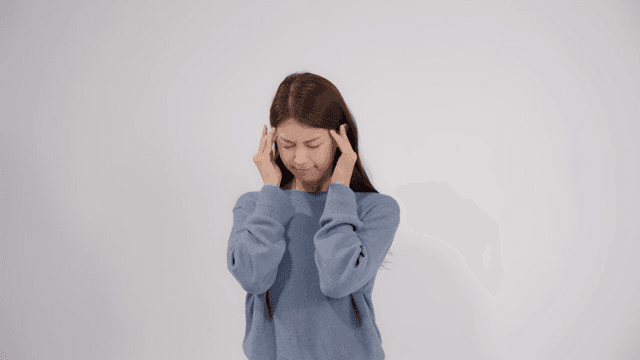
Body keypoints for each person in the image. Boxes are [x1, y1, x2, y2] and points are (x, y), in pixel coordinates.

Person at [226, 72, 400, 360]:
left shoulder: (376, 210)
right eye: (287, 145)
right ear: (271, 142)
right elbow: (252, 277)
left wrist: (340, 188)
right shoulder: (254, 207)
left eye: (313, 144)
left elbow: (338, 281)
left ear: (340, 139)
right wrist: (271, 191)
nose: (299, 159)